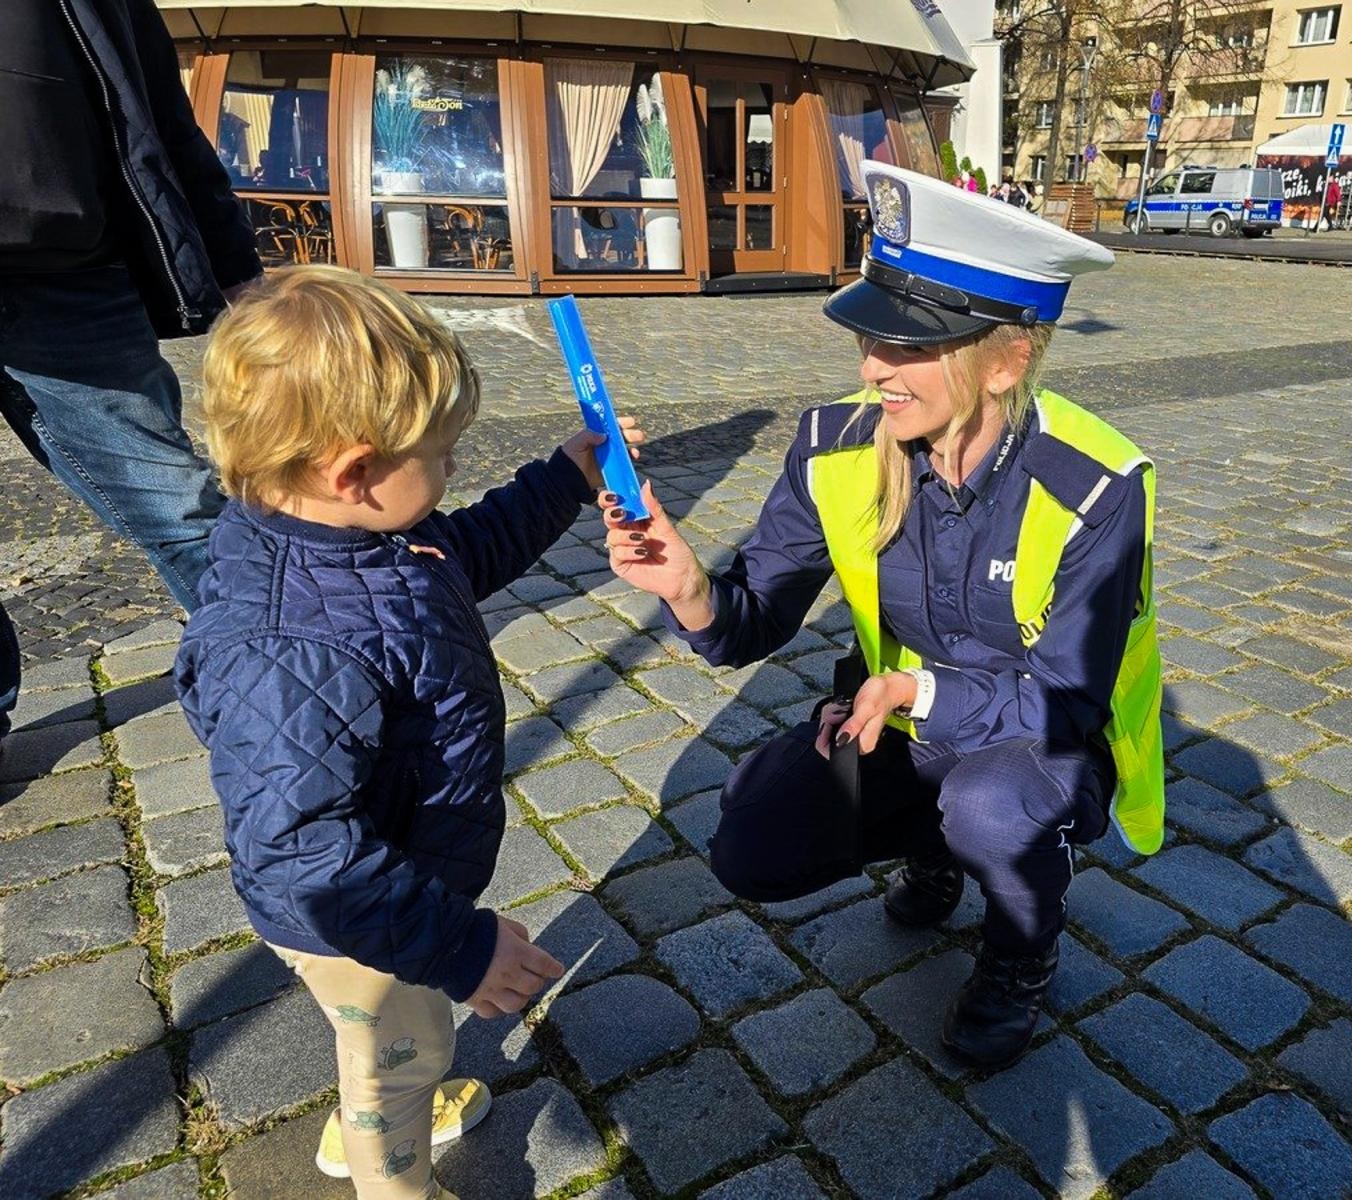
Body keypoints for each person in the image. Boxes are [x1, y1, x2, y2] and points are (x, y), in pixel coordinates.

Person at [602, 163, 1164, 1068]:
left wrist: (918, 689)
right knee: (755, 843)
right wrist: (687, 587)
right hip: (899, 725)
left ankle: (1021, 952)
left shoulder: (1094, 484)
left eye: (908, 346)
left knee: (990, 803)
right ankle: (930, 845)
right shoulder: (837, 445)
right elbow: (752, 617)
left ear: (1007, 358)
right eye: (871, 338)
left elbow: (1066, 697)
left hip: (1037, 740)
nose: (872, 368)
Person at [174, 266, 646, 1199]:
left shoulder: (358, 537)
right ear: (353, 470)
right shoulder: (290, 642)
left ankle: (384, 1091)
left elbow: (462, 555)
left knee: (396, 1032)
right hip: (355, 913)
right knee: (401, 1055)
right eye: (441, 451)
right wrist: (462, 949)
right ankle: (389, 1175)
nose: (453, 468)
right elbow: (302, 852)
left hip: (400, 876)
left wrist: (561, 479)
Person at [0, 0, 260, 756]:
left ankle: (284, 683)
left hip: (72, 269)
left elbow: (158, 108)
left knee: (182, 505)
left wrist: (237, 269)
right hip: (74, 266)